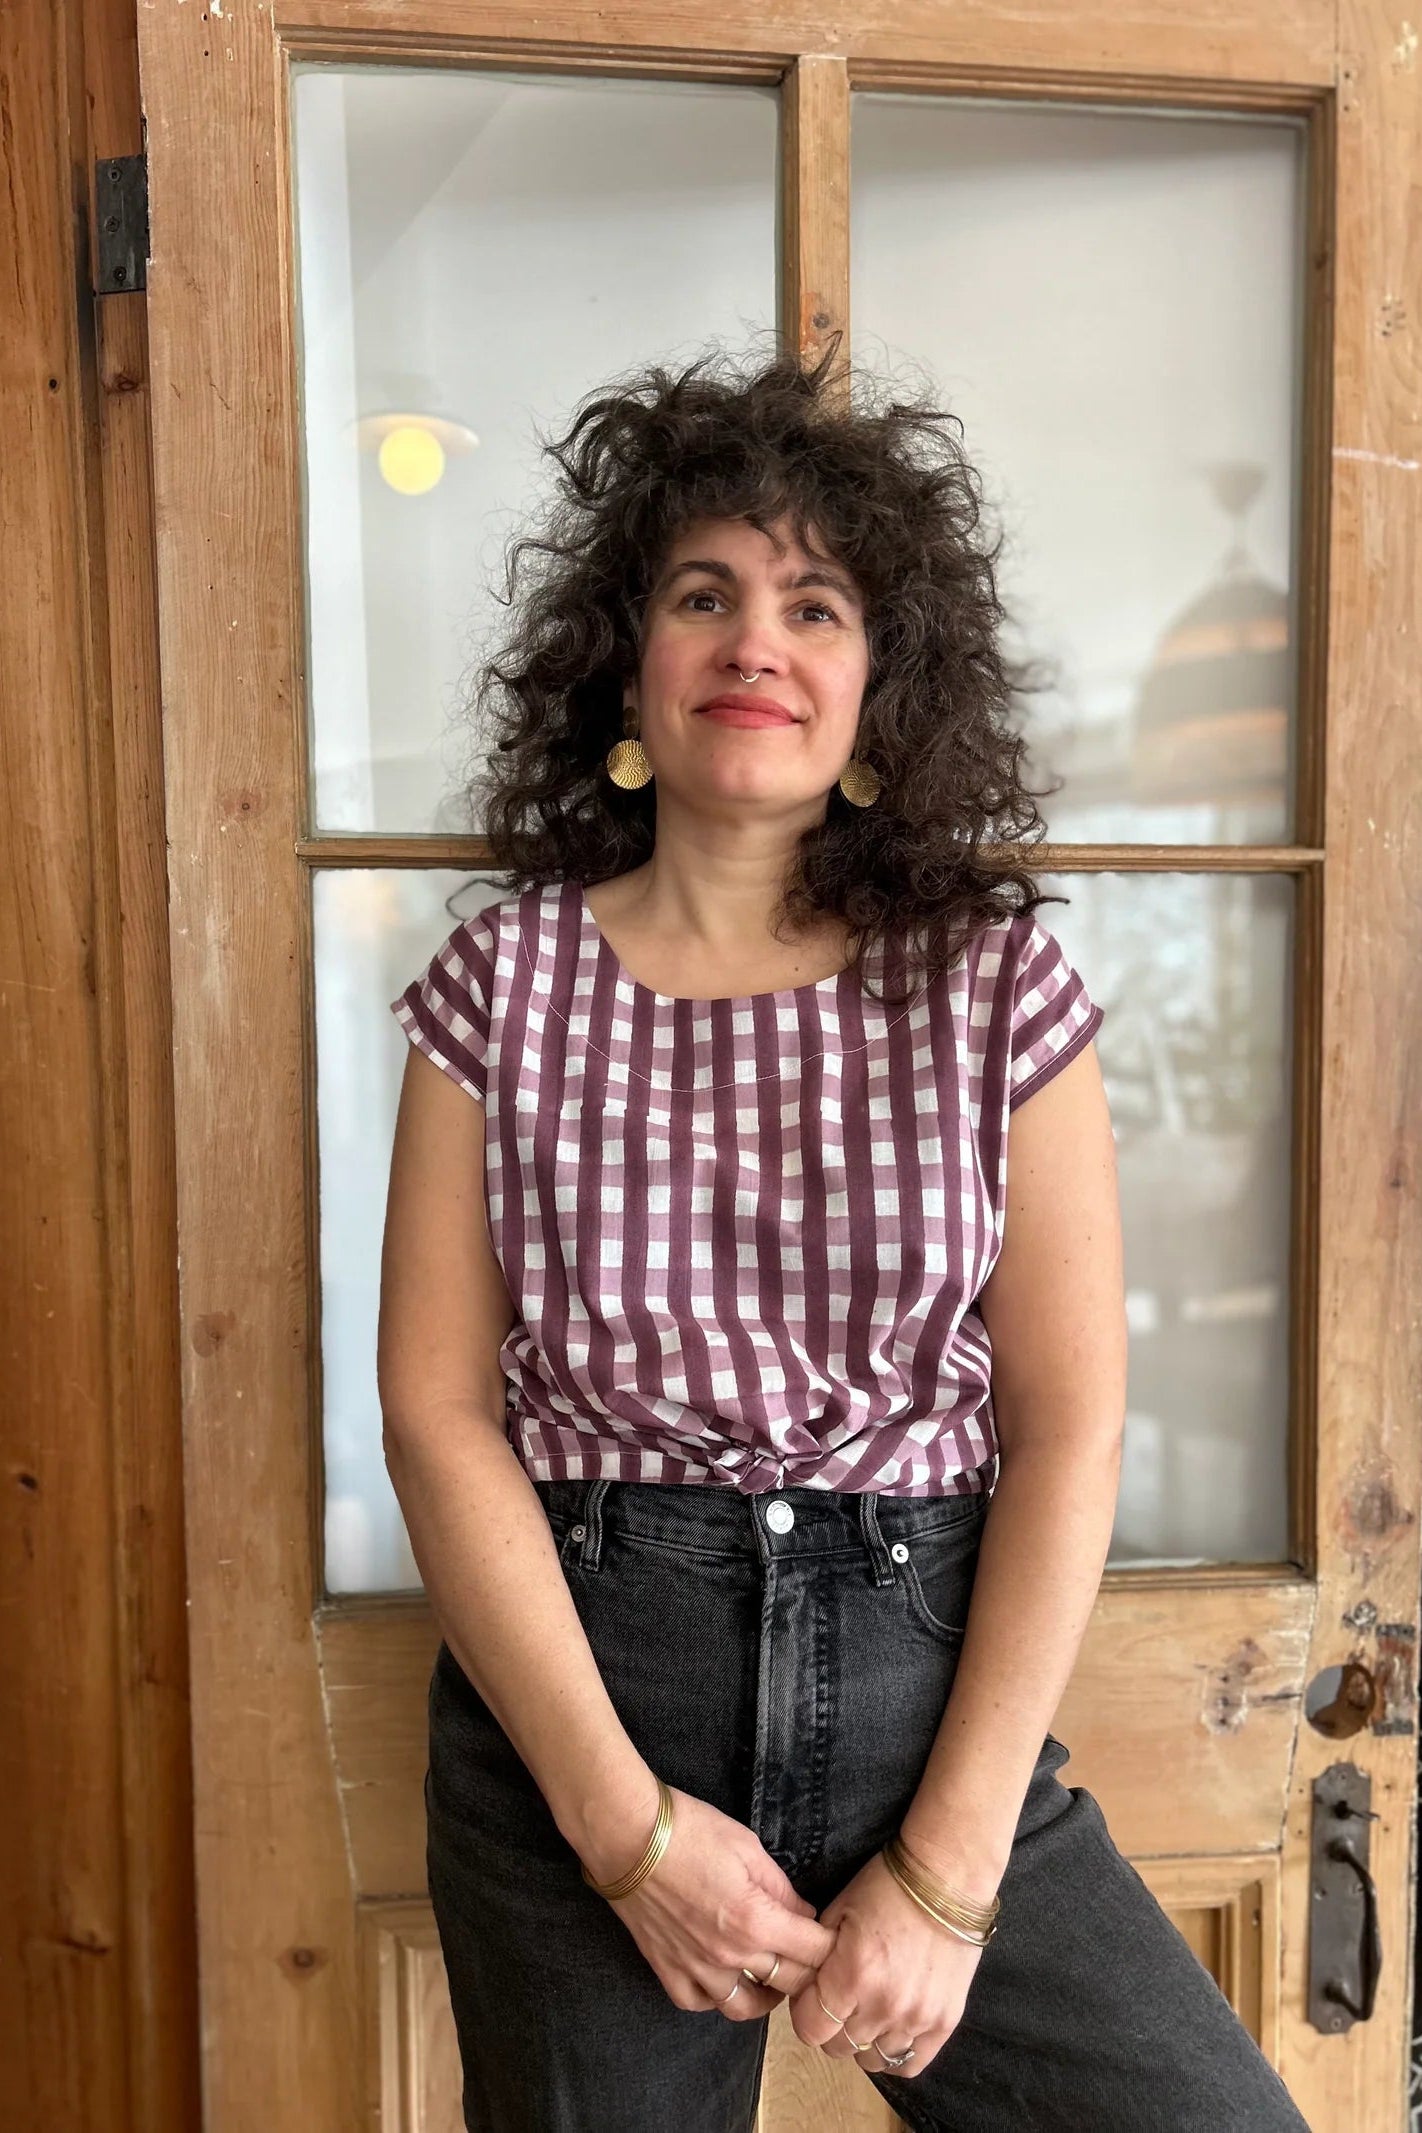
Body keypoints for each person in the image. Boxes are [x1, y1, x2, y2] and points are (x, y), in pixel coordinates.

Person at [378, 341, 1310, 2132]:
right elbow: (434, 1413)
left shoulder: (993, 985)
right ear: (626, 663)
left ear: (877, 689)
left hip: (924, 1701)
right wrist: (619, 1825)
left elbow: (1068, 1426)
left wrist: (952, 1870)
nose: (756, 641)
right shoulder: (501, 986)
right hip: (589, 1708)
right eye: (704, 593)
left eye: (815, 606)